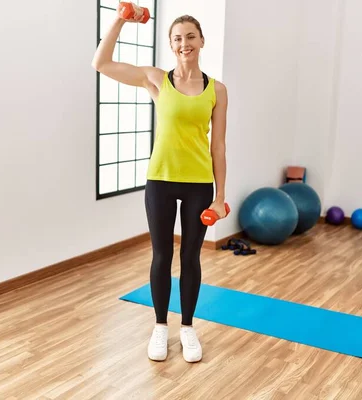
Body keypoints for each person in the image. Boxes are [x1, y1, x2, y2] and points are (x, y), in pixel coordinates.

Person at [92, 12, 228, 363]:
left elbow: (219, 146)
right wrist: (121, 20)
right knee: (162, 255)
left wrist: (221, 195)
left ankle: (187, 328)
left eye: (191, 36)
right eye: (178, 38)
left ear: (201, 41)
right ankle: (159, 327)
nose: (185, 43)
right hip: (161, 181)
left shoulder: (218, 90)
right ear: (171, 44)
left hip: (199, 182)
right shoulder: (155, 79)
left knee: (191, 257)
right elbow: (101, 63)